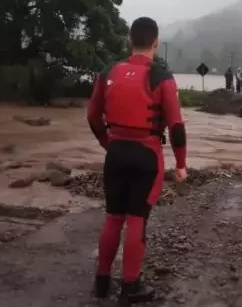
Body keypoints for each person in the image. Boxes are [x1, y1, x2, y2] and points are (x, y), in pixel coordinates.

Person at [87, 16, 187, 306]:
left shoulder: (108, 71)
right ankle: (130, 287)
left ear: (130, 40)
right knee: (136, 220)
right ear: (155, 41)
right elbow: (176, 126)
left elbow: (93, 115)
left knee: (113, 217)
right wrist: (181, 164)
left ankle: (102, 282)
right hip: (146, 155)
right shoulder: (161, 77)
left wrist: (108, 143)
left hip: (116, 153)